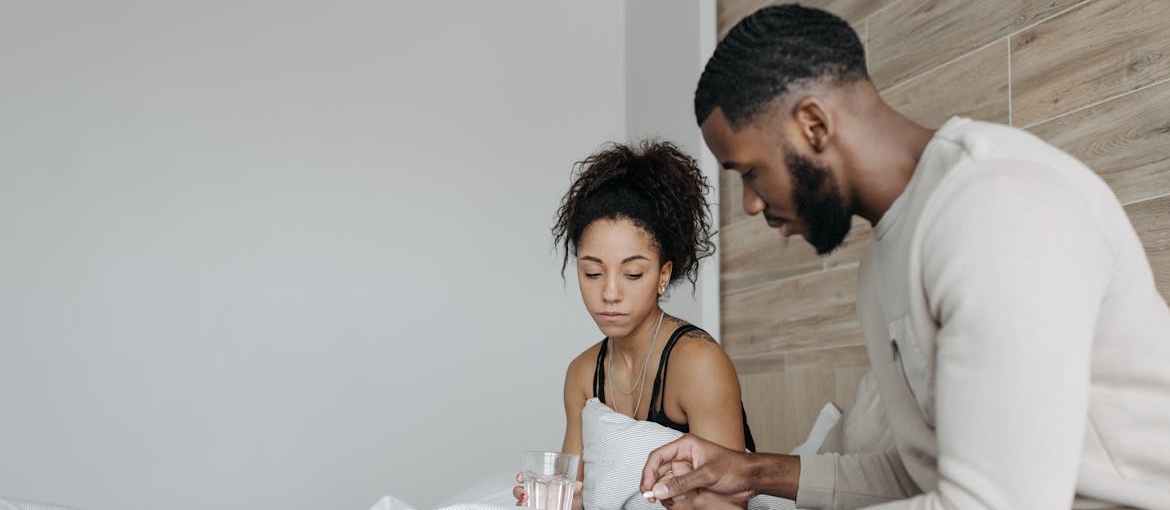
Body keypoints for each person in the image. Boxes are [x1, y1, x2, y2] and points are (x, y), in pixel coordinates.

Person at [640, 4, 1170, 510]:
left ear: (814, 126)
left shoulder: (996, 207)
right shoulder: (884, 261)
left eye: (749, 172)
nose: (751, 204)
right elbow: (928, 477)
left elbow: (995, 503)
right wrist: (753, 472)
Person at [514, 141, 757, 509]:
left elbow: (727, 506)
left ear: (663, 274)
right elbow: (576, 493)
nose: (609, 293)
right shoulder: (582, 376)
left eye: (632, 273)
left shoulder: (699, 365)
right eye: (592, 272)